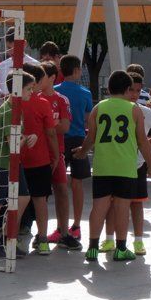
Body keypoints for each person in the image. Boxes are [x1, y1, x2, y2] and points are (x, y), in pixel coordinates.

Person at [73, 70, 151, 262]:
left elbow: (91, 137)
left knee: (99, 207)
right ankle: (121, 248)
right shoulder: (134, 109)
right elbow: (142, 141)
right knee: (122, 207)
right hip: (125, 166)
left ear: (108, 88)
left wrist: (81, 152)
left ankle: (93, 248)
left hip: (103, 165)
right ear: (127, 89)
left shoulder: (99, 108)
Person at [100, 73, 151, 255]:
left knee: (136, 204)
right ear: (123, 89)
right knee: (112, 204)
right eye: (131, 90)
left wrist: (148, 143)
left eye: (138, 91)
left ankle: (138, 241)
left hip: (137, 165)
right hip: (117, 164)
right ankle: (109, 239)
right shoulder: (112, 109)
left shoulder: (143, 111)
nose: (134, 94)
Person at [0, 71, 34, 259]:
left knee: (23, 197)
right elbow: (11, 144)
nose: (31, 92)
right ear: (18, 90)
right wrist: (27, 139)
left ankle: (7, 238)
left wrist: (26, 138)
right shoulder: (9, 109)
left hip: (13, 162)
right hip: (0, 162)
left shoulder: (16, 108)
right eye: (29, 89)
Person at [40, 61, 80, 250]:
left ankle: (63, 232)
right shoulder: (34, 98)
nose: (38, 80)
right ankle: (39, 235)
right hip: (38, 153)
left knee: (62, 191)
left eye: (42, 76)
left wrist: (46, 125)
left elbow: (65, 127)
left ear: (52, 78)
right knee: (39, 195)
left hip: (58, 153)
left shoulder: (61, 100)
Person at [20, 63, 59, 255]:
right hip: (39, 160)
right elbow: (51, 133)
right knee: (40, 200)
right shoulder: (42, 103)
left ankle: (14, 237)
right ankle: (43, 240)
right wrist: (56, 155)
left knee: (16, 200)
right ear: (33, 82)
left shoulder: (11, 102)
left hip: (17, 160)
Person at [54, 54, 93, 241]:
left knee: (59, 185)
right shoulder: (86, 93)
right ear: (77, 71)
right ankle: (76, 225)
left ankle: (60, 226)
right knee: (77, 183)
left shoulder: (54, 91)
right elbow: (88, 119)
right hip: (78, 139)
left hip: (59, 139)